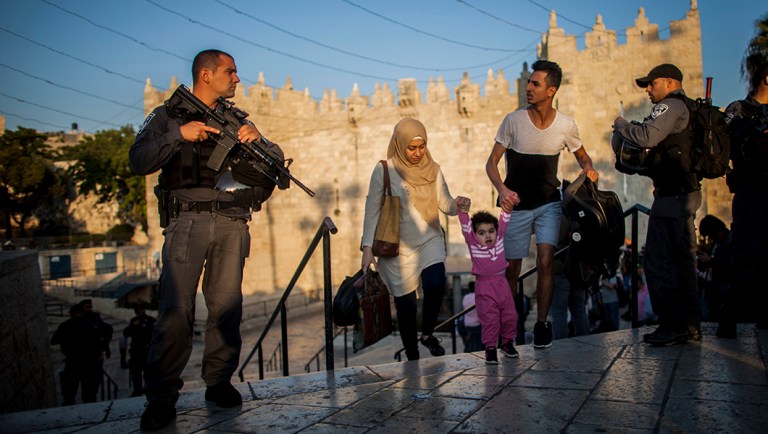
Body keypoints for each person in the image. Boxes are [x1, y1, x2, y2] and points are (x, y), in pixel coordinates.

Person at [130, 49, 279, 430]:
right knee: (176, 310)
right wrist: (179, 135)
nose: (237, 78)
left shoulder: (237, 120)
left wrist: (259, 141)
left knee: (226, 306)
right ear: (207, 75)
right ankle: (162, 397)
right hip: (188, 222)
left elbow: (276, 164)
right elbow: (139, 159)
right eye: (231, 71)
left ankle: (219, 381)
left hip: (231, 220)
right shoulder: (167, 116)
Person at [486, 59, 598, 349]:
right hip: (518, 206)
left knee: (546, 260)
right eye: (529, 82)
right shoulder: (513, 121)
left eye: (535, 84)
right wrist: (502, 189)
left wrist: (589, 169)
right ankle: (510, 328)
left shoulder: (566, 125)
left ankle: (541, 324)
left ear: (551, 90)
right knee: (512, 269)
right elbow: (492, 163)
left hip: (549, 204)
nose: (528, 88)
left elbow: (582, 156)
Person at [612, 63, 702, 345]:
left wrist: (621, 124)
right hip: (683, 193)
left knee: (657, 260)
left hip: (673, 197)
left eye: (652, 84)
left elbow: (647, 136)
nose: (648, 90)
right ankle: (689, 323)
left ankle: (672, 325)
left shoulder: (670, 107)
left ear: (670, 83)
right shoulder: (686, 108)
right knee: (683, 262)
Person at [361, 118, 459, 361]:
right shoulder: (384, 169)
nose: (417, 153)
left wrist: (458, 205)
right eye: (411, 148)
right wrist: (366, 248)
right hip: (397, 247)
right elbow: (372, 208)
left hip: (429, 238)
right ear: (400, 144)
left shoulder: (433, 169)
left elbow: (444, 201)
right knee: (406, 307)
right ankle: (413, 356)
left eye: (422, 146)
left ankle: (427, 334)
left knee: (436, 283)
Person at [721, 44, 768, 336]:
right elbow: (721, 150)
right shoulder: (739, 111)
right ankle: (729, 321)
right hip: (752, 194)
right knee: (747, 255)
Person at [457, 197, 521, 364]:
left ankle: (507, 343)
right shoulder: (473, 244)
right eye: (482, 233)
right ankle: (490, 348)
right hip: (484, 287)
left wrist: (509, 205)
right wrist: (462, 211)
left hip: (502, 284)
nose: (488, 235)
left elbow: (504, 217)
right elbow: (465, 227)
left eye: (491, 231)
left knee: (510, 316)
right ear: (474, 235)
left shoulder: (499, 238)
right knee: (490, 319)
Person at [50, 304, 105, 405]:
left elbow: (53, 341)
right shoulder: (89, 326)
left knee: (69, 396)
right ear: (82, 314)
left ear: (71, 314)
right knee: (89, 396)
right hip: (88, 363)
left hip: (72, 362)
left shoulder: (65, 326)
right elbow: (98, 342)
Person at [550, 211, 590, 340]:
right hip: (578, 266)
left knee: (559, 312)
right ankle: (585, 344)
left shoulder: (562, 212)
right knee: (579, 309)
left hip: (562, 266)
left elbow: (555, 239)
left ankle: (561, 347)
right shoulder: (581, 210)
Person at [123, 304, 156, 397]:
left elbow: (156, 335)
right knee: (136, 374)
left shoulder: (151, 321)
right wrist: (133, 326)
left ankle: (148, 389)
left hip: (147, 352)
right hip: (136, 353)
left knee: (148, 373)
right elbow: (126, 333)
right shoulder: (133, 321)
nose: (139, 311)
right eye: (137, 310)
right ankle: (137, 391)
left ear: (144, 309)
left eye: (141, 309)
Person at [460, 282, 484, 353]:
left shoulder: (466, 297)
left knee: (470, 343)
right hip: (478, 324)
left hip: (467, 323)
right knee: (478, 344)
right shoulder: (479, 297)